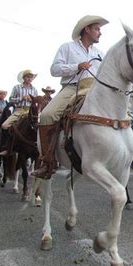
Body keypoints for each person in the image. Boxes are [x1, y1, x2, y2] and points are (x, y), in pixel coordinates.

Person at [32, 15, 108, 179]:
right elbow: (54, 69)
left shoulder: (101, 54)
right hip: (72, 88)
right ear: (86, 29)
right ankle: (47, 162)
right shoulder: (67, 47)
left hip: (95, 89)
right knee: (47, 115)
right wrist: (76, 67)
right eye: (97, 29)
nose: (100, 33)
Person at [0, 69, 38, 156]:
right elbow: (11, 99)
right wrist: (22, 98)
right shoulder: (17, 87)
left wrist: (33, 100)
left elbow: (35, 102)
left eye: (31, 77)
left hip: (30, 111)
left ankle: (39, 146)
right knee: (4, 125)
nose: (30, 79)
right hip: (19, 110)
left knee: (39, 125)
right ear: (24, 78)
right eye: (28, 77)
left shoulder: (34, 89)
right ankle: (7, 147)